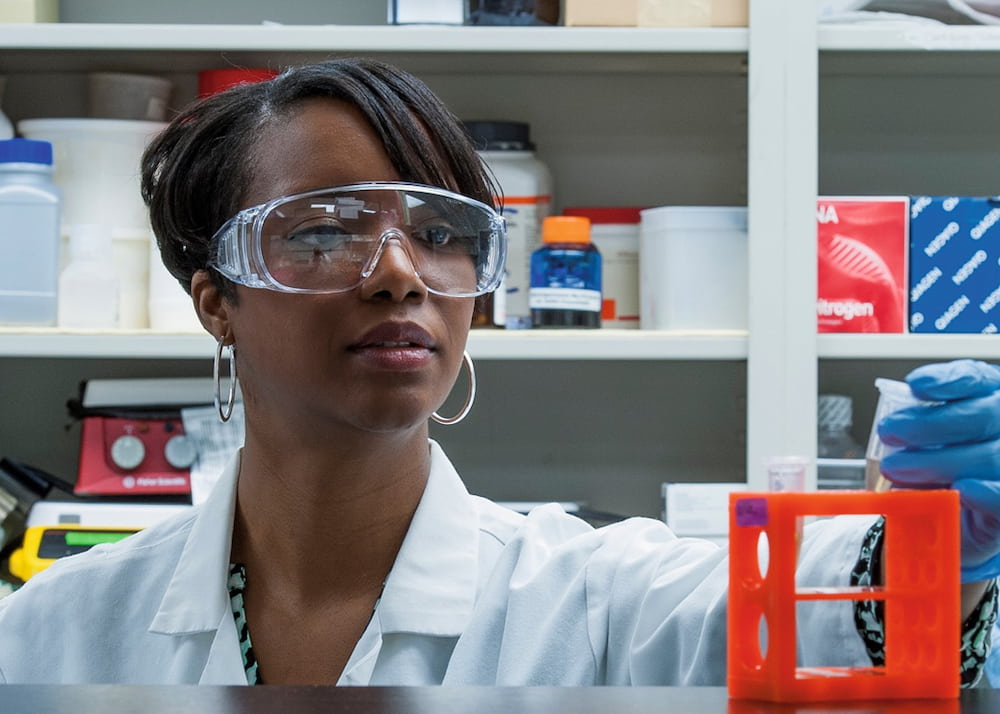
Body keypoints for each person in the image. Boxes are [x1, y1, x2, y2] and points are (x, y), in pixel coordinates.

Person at [0, 58, 997, 686]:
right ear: (216, 297)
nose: (399, 272)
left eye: (441, 234)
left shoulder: (595, 595)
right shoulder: (57, 628)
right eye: (323, 230)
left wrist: (932, 559)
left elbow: (814, 627)